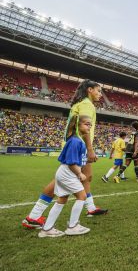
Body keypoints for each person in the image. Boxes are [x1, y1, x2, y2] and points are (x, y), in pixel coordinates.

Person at [22, 80, 107, 229]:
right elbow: (85, 126)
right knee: (59, 181)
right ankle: (33, 216)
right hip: (78, 147)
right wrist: (90, 149)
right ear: (89, 90)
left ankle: (91, 208)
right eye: (98, 91)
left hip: (75, 145)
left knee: (87, 177)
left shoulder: (79, 104)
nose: (100, 94)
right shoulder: (87, 104)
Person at [38, 115, 92, 237]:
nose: (90, 126)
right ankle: (72, 226)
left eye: (91, 124)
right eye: (87, 124)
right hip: (69, 172)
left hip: (65, 172)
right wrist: (79, 173)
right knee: (82, 196)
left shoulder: (77, 140)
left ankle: (47, 229)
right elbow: (71, 162)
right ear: (77, 125)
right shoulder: (75, 141)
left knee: (62, 199)